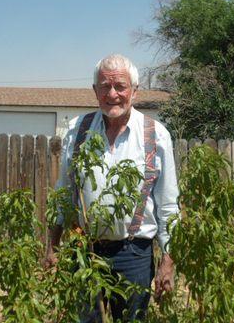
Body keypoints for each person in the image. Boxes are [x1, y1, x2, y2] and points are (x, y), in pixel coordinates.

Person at [44, 54, 179, 322]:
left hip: (134, 254)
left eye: (120, 86)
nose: (113, 94)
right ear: (95, 91)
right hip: (85, 250)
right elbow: (65, 191)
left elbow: (167, 205)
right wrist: (52, 244)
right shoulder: (77, 130)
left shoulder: (156, 134)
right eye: (105, 86)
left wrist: (167, 260)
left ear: (135, 91)